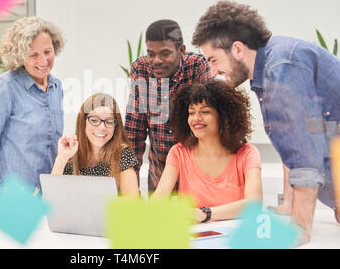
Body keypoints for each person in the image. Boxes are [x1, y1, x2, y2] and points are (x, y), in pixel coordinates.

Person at [191, 0, 340, 242]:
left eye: (213, 60)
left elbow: (305, 158)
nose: (212, 72)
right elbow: (292, 145)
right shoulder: (270, 66)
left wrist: (298, 231)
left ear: (238, 49)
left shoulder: (281, 66)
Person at [0, 16, 65, 203]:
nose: (43, 61)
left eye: (48, 51)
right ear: (19, 55)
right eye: (33, 55)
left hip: (49, 196)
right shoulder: (4, 87)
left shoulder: (57, 87)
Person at [152, 81, 262, 222]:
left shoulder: (247, 154)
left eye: (205, 112)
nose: (196, 118)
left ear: (224, 117)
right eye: (191, 113)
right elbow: (159, 197)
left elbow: (254, 204)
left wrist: (204, 214)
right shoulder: (178, 152)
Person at [125, 19, 212, 192]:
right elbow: (134, 132)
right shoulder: (141, 70)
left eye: (165, 53)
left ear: (181, 50)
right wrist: (130, 192)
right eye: (151, 54)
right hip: (158, 178)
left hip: (195, 179)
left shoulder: (197, 66)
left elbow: (208, 126)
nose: (156, 60)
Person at [51, 93, 139, 196]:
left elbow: (131, 204)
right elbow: (51, 198)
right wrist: (61, 158)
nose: (102, 127)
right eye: (94, 120)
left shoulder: (123, 153)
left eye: (109, 122)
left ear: (115, 126)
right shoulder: (71, 151)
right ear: (83, 122)